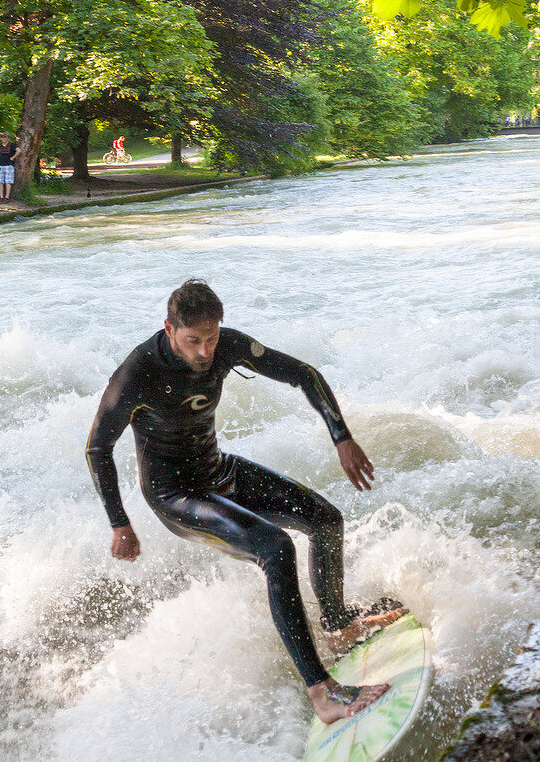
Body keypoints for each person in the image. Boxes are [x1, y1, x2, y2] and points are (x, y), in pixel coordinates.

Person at [86, 280, 404, 726]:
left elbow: (304, 373)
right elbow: (98, 448)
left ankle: (337, 625)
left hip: (218, 471)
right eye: (193, 341)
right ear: (169, 329)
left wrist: (342, 437)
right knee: (275, 548)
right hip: (176, 496)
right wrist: (119, 523)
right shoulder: (137, 373)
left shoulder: (228, 345)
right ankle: (323, 693)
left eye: (212, 338)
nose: (204, 352)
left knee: (325, 519)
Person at [0, 132, 18, 201]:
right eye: (2, 137)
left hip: (9, 165)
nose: (3, 138)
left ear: (7, 138)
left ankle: (7, 197)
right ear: (0, 138)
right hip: (1, 166)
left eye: (5, 137)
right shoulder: (0, 146)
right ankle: (1, 197)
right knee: (0, 182)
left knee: (8, 182)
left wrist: (13, 157)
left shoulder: (11, 145)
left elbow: (19, 151)